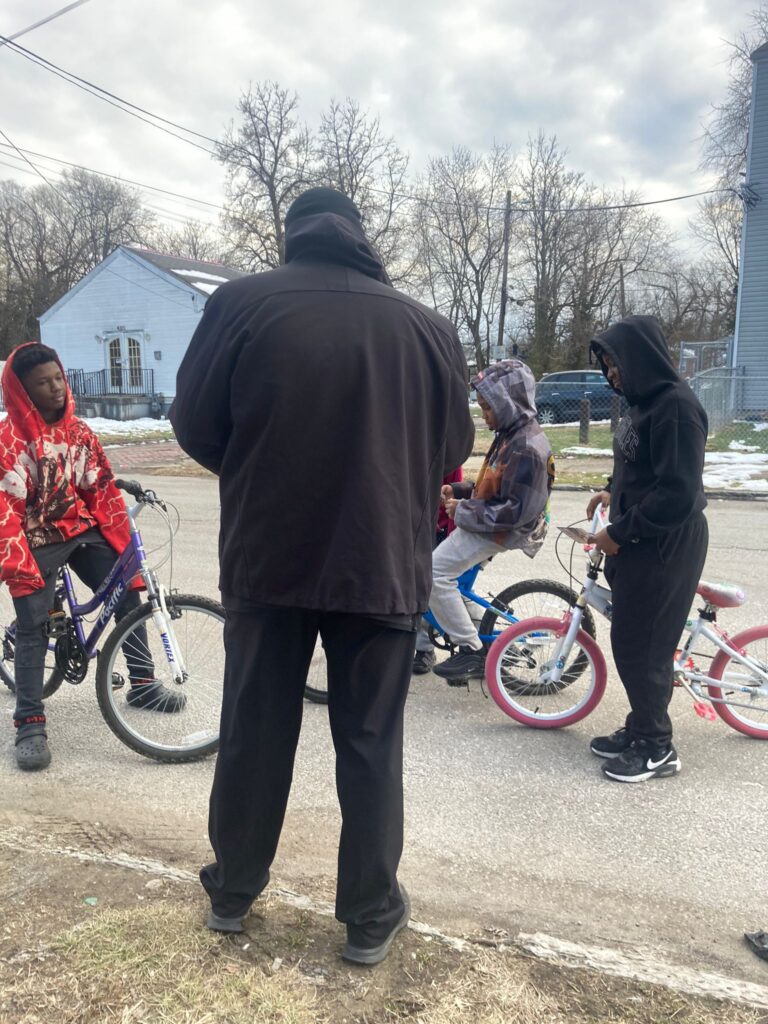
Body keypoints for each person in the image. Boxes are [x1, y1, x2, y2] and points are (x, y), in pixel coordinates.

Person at [170, 187, 474, 964]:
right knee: (370, 741)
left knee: (253, 731)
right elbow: (448, 449)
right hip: (379, 560)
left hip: (269, 557)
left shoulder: (240, 305)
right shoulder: (428, 327)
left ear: (292, 232)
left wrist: (261, 470)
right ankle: (370, 915)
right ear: (360, 236)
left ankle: (234, 891)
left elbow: (197, 425)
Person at [0, 343, 184, 772]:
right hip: (33, 539)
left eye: (58, 379)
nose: (56, 389)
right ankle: (29, 722)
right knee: (33, 626)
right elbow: (5, 514)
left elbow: (97, 488)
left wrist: (122, 546)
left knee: (127, 595)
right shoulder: (9, 442)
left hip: (77, 528)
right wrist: (19, 564)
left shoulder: (79, 433)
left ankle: (142, 683)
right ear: (22, 392)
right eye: (43, 384)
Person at [587, 315, 708, 783]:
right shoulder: (642, 405)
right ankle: (641, 728)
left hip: (665, 541)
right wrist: (609, 492)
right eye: (607, 365)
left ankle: (657, 747)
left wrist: (620, 530)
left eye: (615, 363)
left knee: (646, 647)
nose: (612, 373)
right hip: (641, 536)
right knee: (632, 639)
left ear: (639, 357)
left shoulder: (676, 407)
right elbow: (639, 467)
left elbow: (677, 492)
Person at [431, 360, 554, 682]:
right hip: (491, 522)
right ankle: (475, 626)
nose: (484, 415)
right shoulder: (510, 434)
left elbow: (515, 511)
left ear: (508, 403)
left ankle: (471, 650)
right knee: (450, 578)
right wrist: (458, 489)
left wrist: (462, 510)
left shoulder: (526, 447)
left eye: (488, 407)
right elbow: (495, 485)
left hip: (501, 530)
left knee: (433, 573)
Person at [411, 467, 463, 675]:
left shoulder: (448, 456)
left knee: (437, 589)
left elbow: (456, 493)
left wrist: (451, 536)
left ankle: (424, 649)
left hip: (439, 531)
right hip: (411, 529)